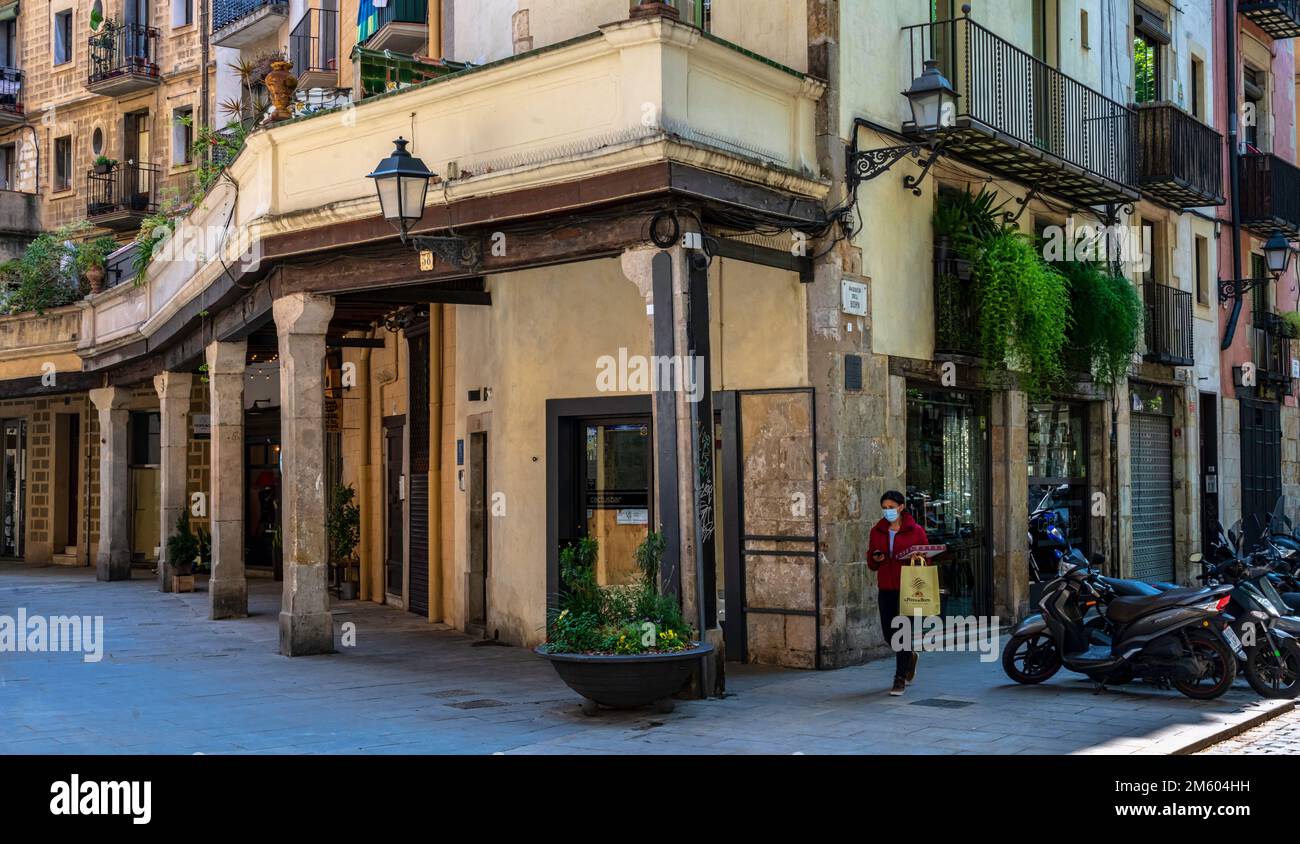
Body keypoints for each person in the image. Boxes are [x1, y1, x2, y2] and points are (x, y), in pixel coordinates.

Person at [867, 490, 929, 696]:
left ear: (901, 507)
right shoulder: (877, 531)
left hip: (908, 588)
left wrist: (917, 556)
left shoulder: (916, 531)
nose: (888, 512)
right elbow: (871, 562)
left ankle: (899, 678)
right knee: (888, 632)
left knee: (903, 633)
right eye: (884, 508)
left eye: (891, 508)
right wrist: (875, 558)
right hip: (886, 587)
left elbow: (926, 559)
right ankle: (909, 656)